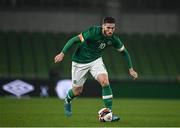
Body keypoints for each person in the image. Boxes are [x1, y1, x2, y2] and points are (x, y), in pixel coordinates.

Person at [54, 17, 138, 122]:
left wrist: (131, 69)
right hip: (79, 62)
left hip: (95, 61)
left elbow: (124, 52)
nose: (110, 30)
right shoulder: (93, 32)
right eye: (108, 27)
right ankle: (67, 100)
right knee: (77, 91)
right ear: (103, 26)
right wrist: (62, 53)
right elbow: (74, 40)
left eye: (113, 28)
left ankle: (109, 113)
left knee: (105, 82)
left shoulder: (114, 39)